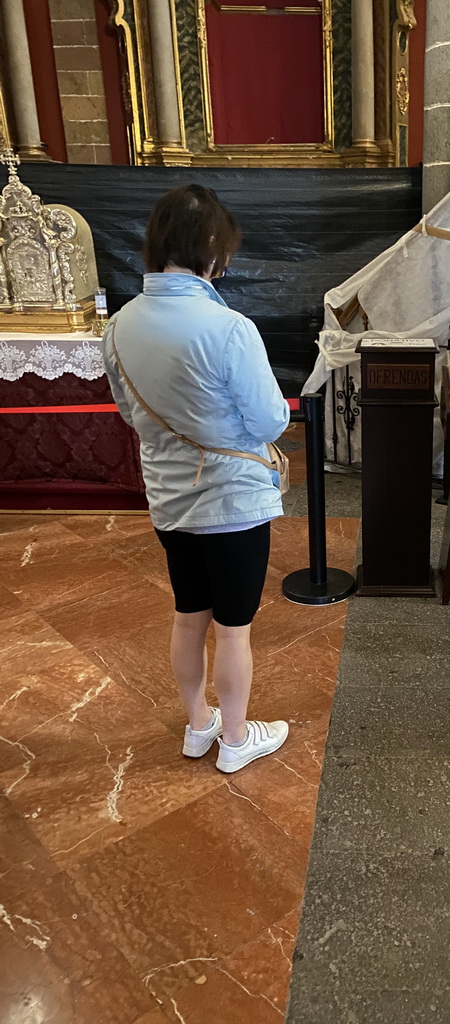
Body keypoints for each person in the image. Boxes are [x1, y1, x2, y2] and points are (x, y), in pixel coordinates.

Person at [102, 184, 291, 772]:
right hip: (231, 500)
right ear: (212, 246)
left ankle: (198, 725)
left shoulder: (120, 324)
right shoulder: (228, 327)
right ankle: (235, 741)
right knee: (234, 629)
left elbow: (129, 413)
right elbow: (269, 419)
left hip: (168, 498)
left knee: (189, 615)